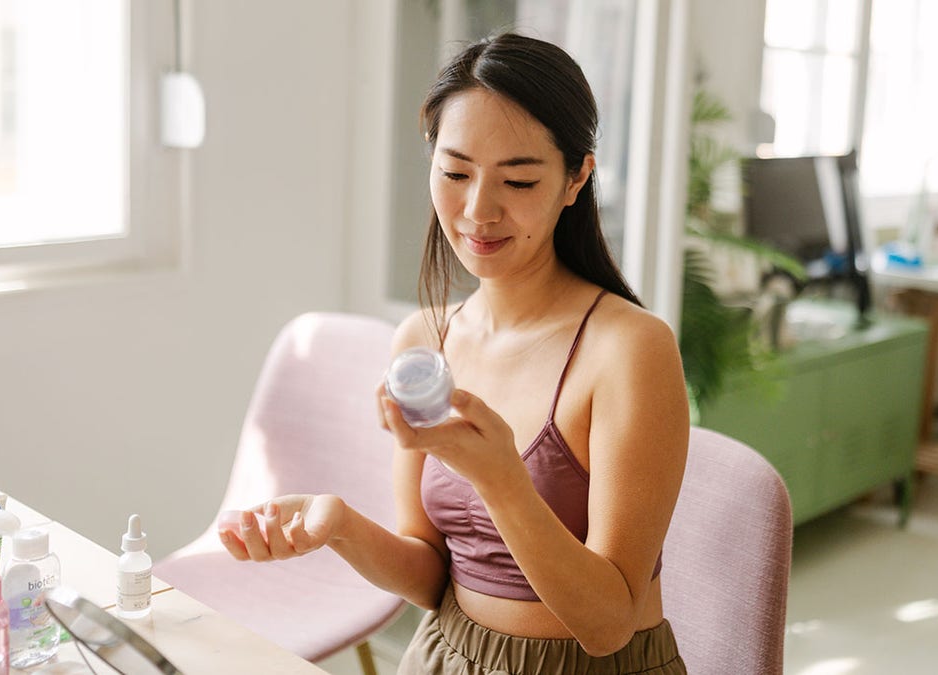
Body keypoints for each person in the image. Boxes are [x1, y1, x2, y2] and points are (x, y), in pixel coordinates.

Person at [219, 32, 690, 673]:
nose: (477, 210)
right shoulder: (423, 341)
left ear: (577, 177)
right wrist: (337, 524)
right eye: (455, 172)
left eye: (518, 180)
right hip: (446, 655)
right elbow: (431, 576)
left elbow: (608, 624)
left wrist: (503, 480)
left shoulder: (629, 349)